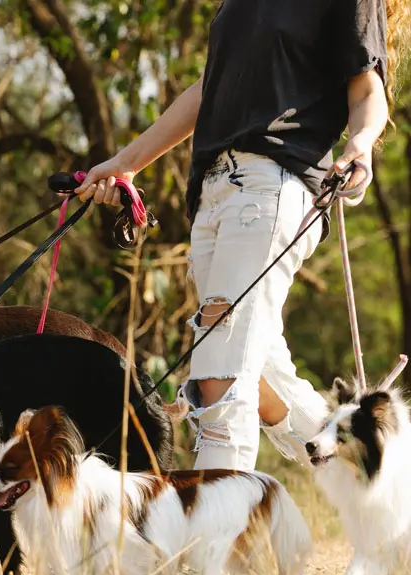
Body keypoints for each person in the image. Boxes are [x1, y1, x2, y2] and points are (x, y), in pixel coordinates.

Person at [75, 0, 408, 470]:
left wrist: (360, 145)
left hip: (269, 189)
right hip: (212, 193)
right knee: (259, 380)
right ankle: (388, 476)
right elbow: (207, 89)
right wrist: (125, 164)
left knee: (220, 378)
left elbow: (366, 86)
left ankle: (214, 538)